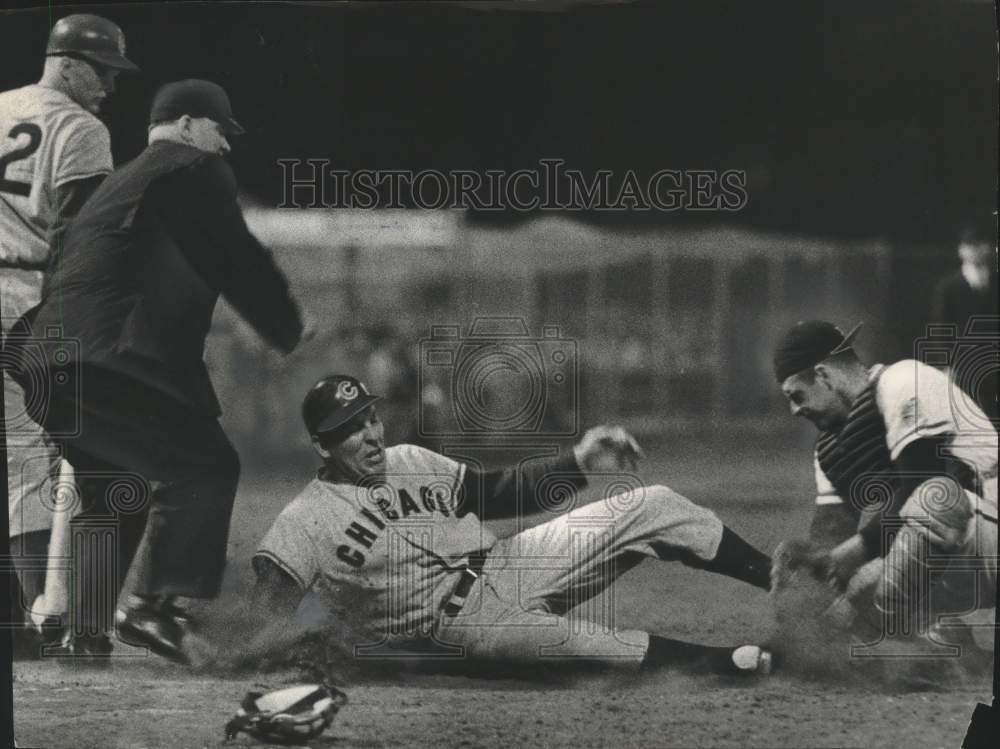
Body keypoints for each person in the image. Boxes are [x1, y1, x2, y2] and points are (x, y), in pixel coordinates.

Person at [9, 79, 307, 663]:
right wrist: (285, 323)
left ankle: (83, 633)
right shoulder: (190, 168)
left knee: (110, 490)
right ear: (192, 124)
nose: (225, 147)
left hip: (46, 360)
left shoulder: (115, 184)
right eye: (221, 131)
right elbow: (234, 251)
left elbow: (65, 258)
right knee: (204, 465)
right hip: (105, 360)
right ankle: (154, 608)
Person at [251, 374, 774, 676]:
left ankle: (789, 583)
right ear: (321, 445)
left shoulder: (411, 458)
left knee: (652, 503)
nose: (369, 435)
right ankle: (738, 665)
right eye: (349, 429)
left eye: (370, 418)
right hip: (462, 629)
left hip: (509, 564)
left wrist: (580, 458)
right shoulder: (303, 522)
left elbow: (496, 493)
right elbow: (262, 623)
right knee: (596, 648)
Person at [0, 13, 138, 657]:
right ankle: (39, 618)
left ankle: (32, 617)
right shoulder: (80, 127)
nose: (110, 85)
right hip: (25, 298)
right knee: (32, 459)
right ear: (69, 63)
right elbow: (78, 241)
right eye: (104, 70)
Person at [773, 320, 997, 646]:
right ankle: (943, 644)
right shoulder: (831, 451)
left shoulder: (904, 380)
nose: (794, 410)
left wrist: (846, 562)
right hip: (960, 560)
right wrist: (809, 574)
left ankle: (896, 634)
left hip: (989, 529)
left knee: (933, 502)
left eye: (796, 395)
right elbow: (831, 542)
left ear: (823, 375)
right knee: (844, 594)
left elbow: (925, 479)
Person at [930, 222, 998, 421]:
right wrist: (948, 365)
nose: (977, 250)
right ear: (962, 251)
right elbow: (942, 327)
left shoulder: (995, 281)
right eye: (971, 246)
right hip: (963, 363)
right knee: (967, 415)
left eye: (981, 245)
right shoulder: (949, 286)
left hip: (993, 363)